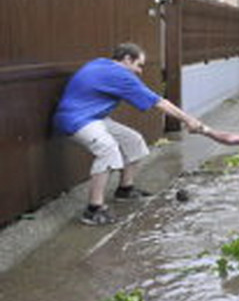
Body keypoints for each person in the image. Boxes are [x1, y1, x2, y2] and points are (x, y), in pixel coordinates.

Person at [53, 43, 203, 225]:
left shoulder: (101, 63)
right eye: (139, 65)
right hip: (77, 119)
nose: (140, 71)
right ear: (126, 59)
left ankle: (125, 189)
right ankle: (93, 209)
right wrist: (189, 120)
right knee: (107, 149)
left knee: (134, 140)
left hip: (94, 117)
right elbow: (158, 102)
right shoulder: (120, 75)